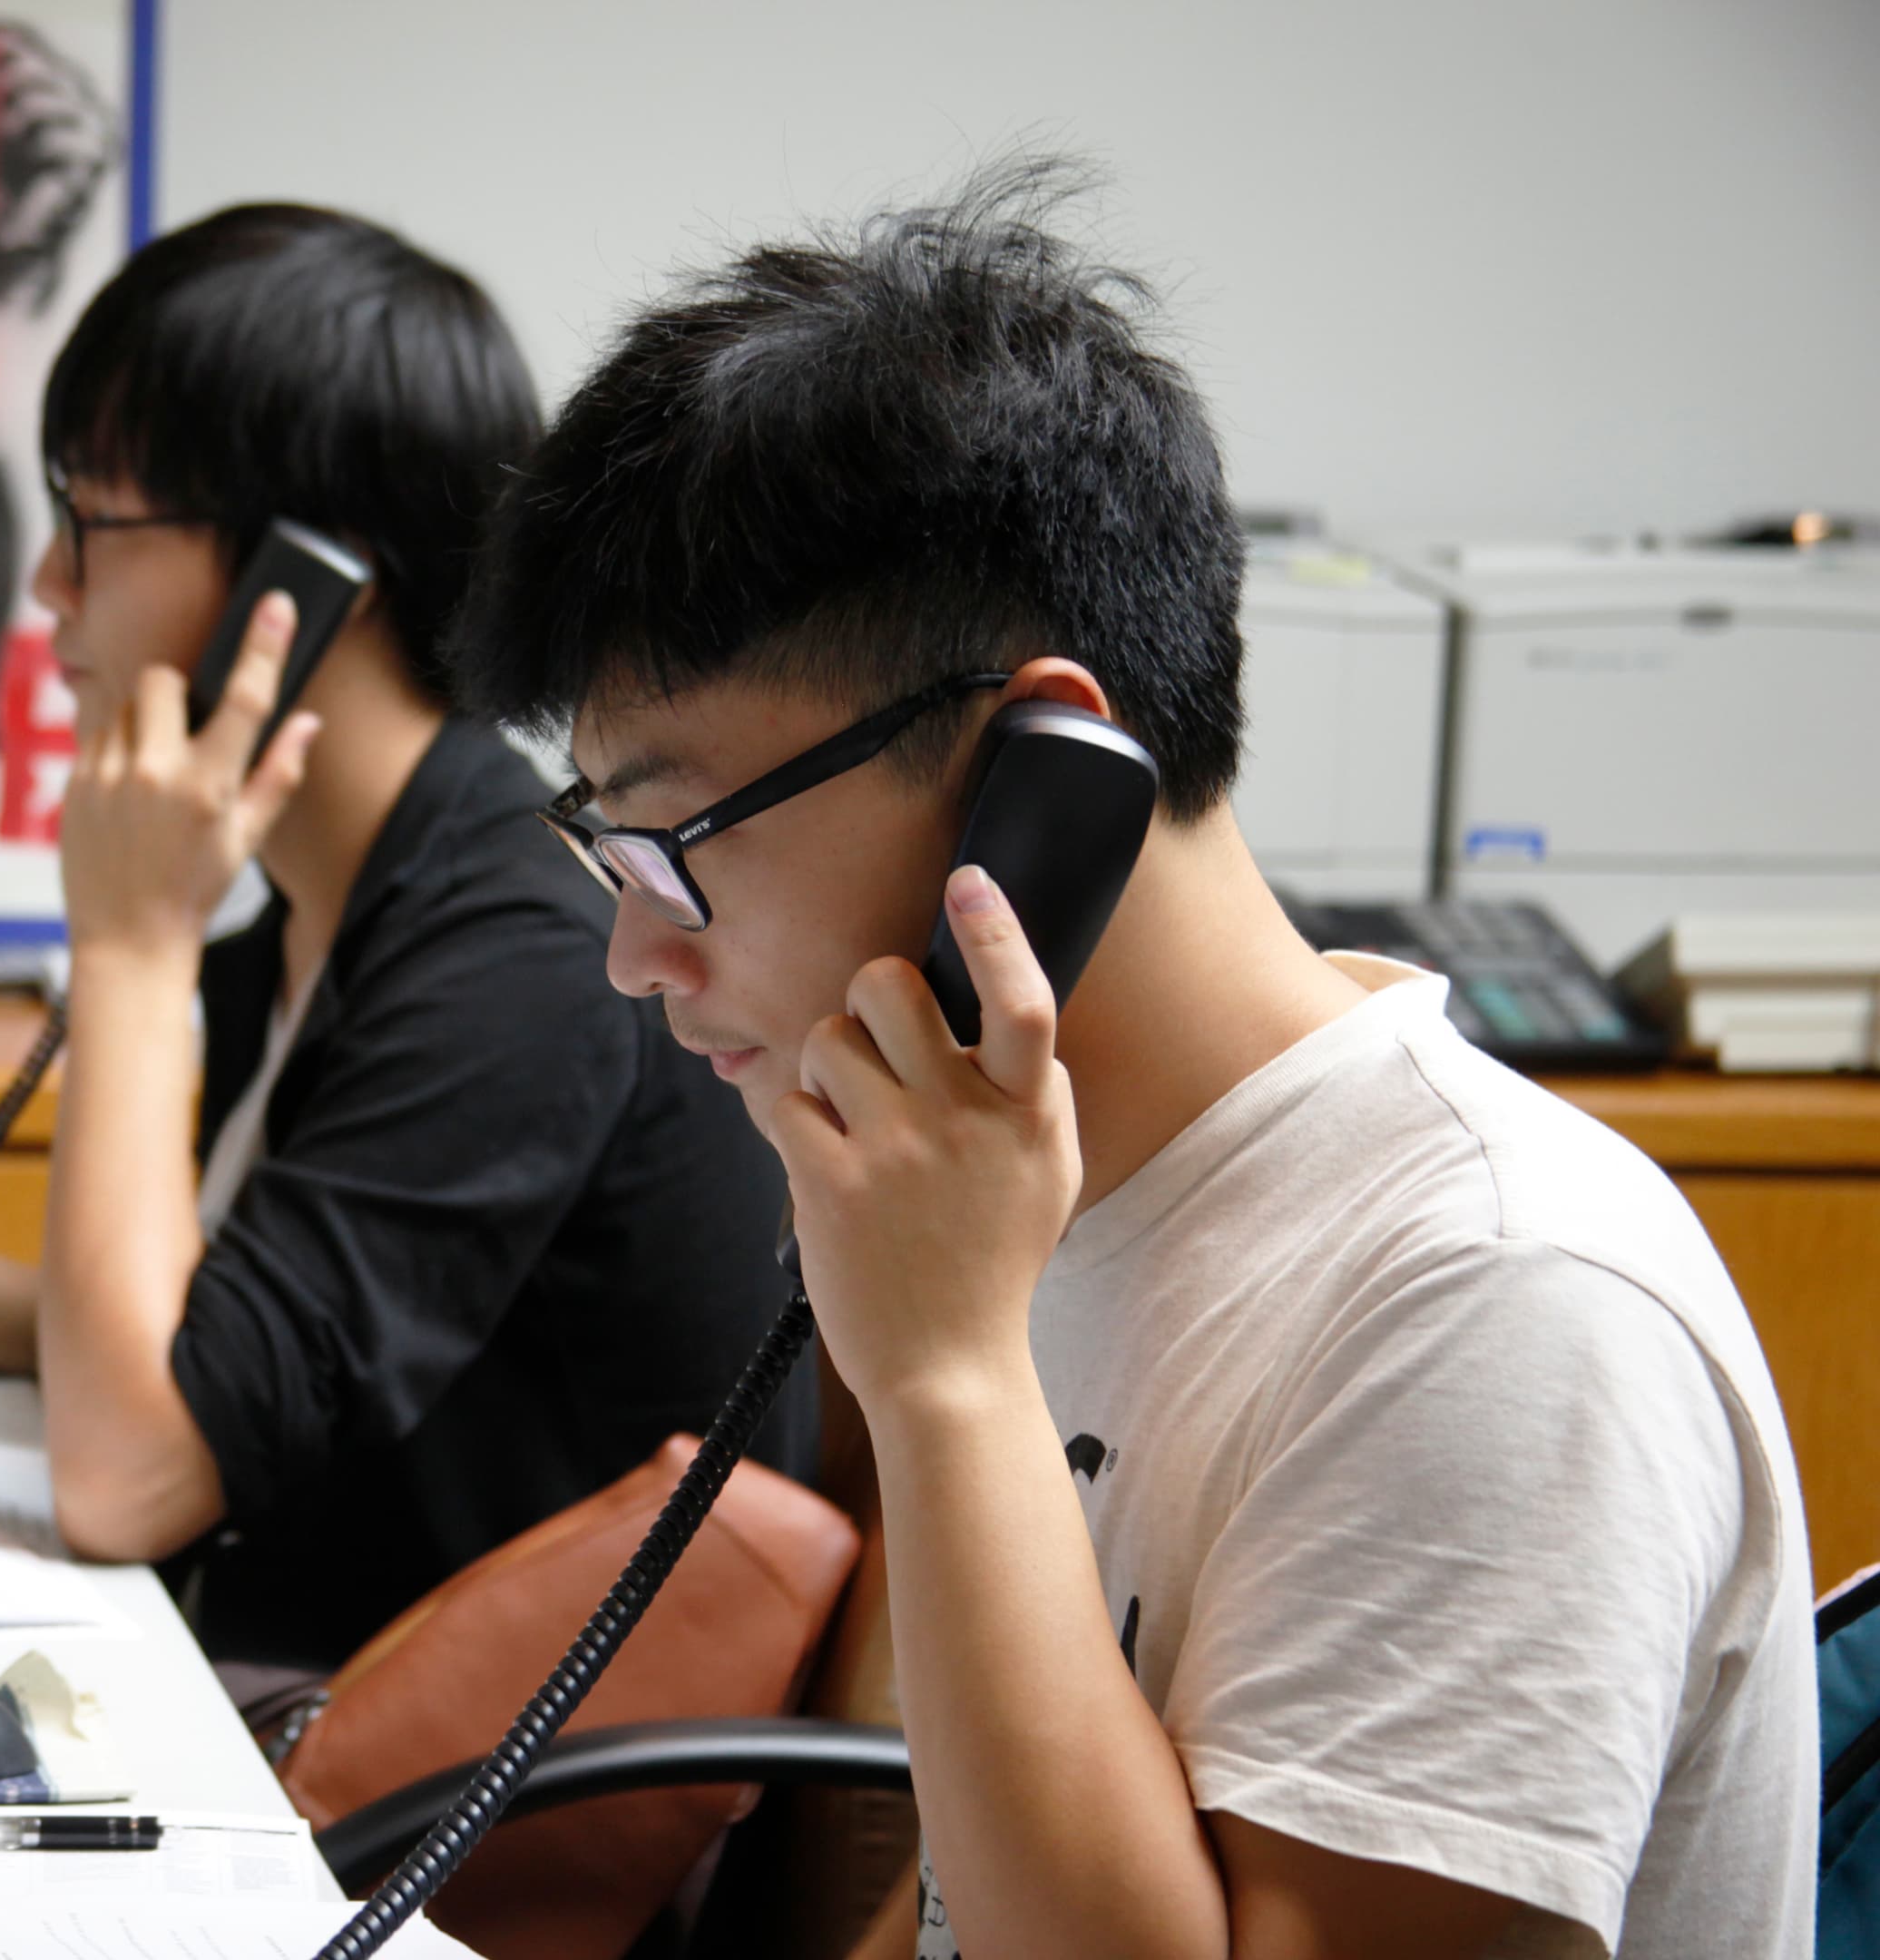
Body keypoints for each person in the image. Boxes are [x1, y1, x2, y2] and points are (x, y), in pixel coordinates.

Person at [446, 159, 1816, 1959]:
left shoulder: (1497, 1303)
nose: (637, 953)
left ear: (1040, 774)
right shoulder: (1034, 1188)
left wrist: (947, 1385)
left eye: (677, 841)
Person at [0, 203, 812, 1677]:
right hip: (289, 1694)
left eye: (95, 524)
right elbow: (203, 1351)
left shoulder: (521, 955)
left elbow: (129, 1473)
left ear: (301, 582)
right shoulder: (339, 908)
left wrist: (128, 949)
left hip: (450, 1842)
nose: (52, 592)